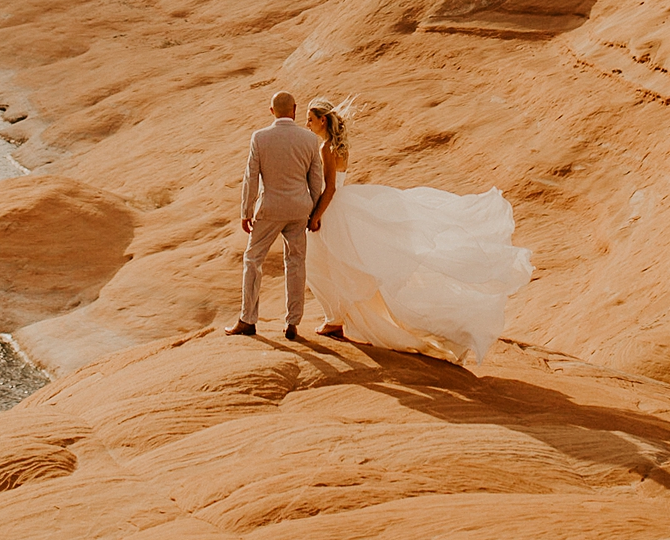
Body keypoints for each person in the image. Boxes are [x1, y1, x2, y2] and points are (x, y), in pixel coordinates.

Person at [304, 95, 533, 368]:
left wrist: (316, 216)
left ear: (322, 120)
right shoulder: (340, 146)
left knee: (322, 265)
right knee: (345, 266)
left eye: (309, 119)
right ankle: (338, 318)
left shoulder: (326, 149)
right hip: (345, 205)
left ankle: (335, 319)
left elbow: (329, 188)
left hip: (333, 210)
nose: (306, 124)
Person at [226, 90, 324, 342]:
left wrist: (245, 211)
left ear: (272, 111)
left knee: (252, 259)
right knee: (295, 262)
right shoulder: (310, 140)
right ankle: (292, 322)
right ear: (294, 109)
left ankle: (248, 319)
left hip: (269, 209)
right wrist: (312, 212)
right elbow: (316, 180)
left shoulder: (260, 138)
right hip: (298, 210)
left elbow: (251, 177)